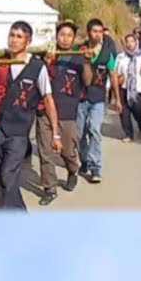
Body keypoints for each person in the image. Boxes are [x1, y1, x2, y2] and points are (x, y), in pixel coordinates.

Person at [0, 22, 60, 210]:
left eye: (19, 37)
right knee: (2, 180)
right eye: (12, 35)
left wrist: (55, 134)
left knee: (7, 176)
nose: (14, 40)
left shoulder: (37, 67)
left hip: (18, 133)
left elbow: (48, 100)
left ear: (28, 41)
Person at [37, 21, 84, 205]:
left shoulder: (78, 58)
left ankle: (73, 170)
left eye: (69, 35)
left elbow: (87, 81)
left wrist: (88, 61)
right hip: (44, 111)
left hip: (67, 112)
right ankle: (50, 188)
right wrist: (46, 62)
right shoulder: (47, 55)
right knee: (45, 152)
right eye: (62, 34)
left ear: (74, 39)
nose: (65, 38)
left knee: (67, 151)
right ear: (56, 36)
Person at [77, 19, 118, 183]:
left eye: (100, 32)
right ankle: (84, 160)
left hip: (98, 98)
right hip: (80, 97)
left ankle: (95, 167)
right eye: (94, 31)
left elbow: (113, 75)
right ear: (88, 33)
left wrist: (117, 99)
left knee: (94, 130)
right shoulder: (78, 50)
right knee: (79, 133)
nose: (98, 35)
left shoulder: (107, 53)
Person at [115, 33, 141, 142]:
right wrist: (110, 86)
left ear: (136, 42)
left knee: (138, 110)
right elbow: (115, 72)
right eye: (127, 42)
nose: (129, 44)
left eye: (132, 41)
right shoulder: (120, 56)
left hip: (138, 88)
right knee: (124, 112)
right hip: (123, 87)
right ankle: (128, 134)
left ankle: (140, 123)